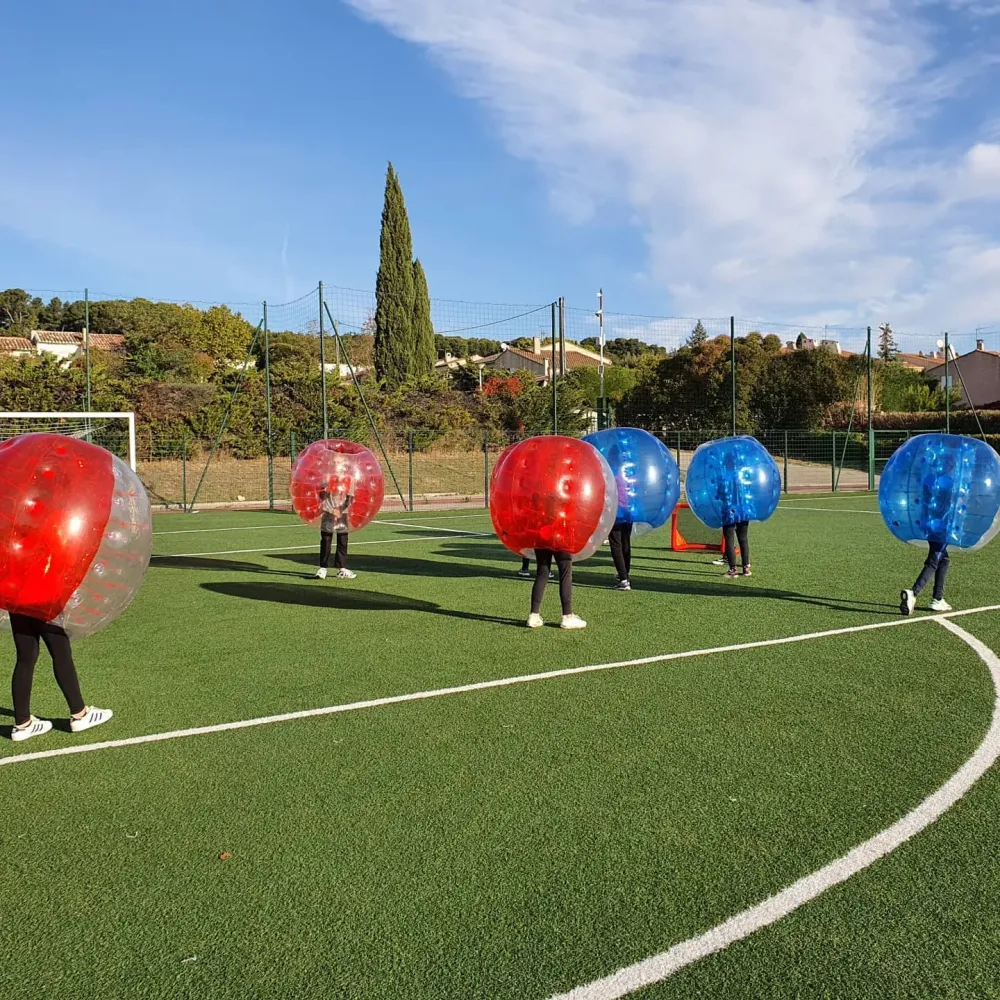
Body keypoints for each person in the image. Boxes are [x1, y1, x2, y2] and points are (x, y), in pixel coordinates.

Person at [8, 613, 112, 743]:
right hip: (42, 601)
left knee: (25, 658)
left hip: (15, 600)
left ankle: (22, 724)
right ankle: (80, 714)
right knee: (60, 651)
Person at [527, 550, 586, 629]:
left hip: (540, 538)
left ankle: (534, 615)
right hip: (560, 538)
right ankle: (567, 616)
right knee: (565, 572)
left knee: (542, 573)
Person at [316, 489, 356, 581]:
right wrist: (330, 509)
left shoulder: (348, 477)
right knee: (326, 539)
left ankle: (341, 569)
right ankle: (323, 568)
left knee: (342, 540)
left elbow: (350, 497)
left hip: (342, 513)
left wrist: (339, 509)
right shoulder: (326, 476)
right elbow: (320, 493)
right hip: (327, 511)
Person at [900, 542, 951, 614]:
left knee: (944, 560)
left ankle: (937, 598)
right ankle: (913, 593)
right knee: (933, 562)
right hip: (941, 532)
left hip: (933, 532)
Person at [608, 523, 632, 590]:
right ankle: (625, 575)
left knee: (616, 544)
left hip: (615, 515)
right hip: (627, 514)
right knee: (625, 542)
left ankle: (623, 579)